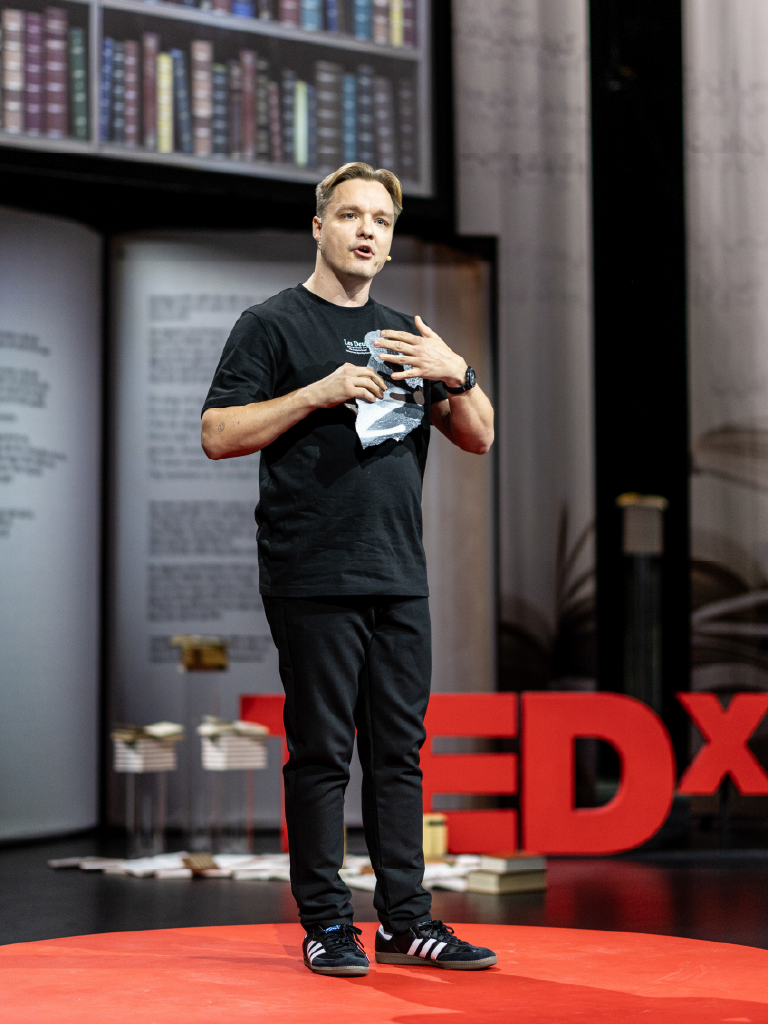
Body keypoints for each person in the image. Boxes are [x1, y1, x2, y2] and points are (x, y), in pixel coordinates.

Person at [201, 162, 496, 976]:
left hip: (400, 572)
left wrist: (455, 370)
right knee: (324, 753)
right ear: (319, 226)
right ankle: (329, 922)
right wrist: (317, 392)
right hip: (312, 570)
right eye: (352, 216)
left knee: (400, 752)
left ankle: (408, 921)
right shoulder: (272, 325)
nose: (368, 231)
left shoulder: (409, 330)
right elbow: (218, 433)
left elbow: (480, 434)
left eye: (382, 222)